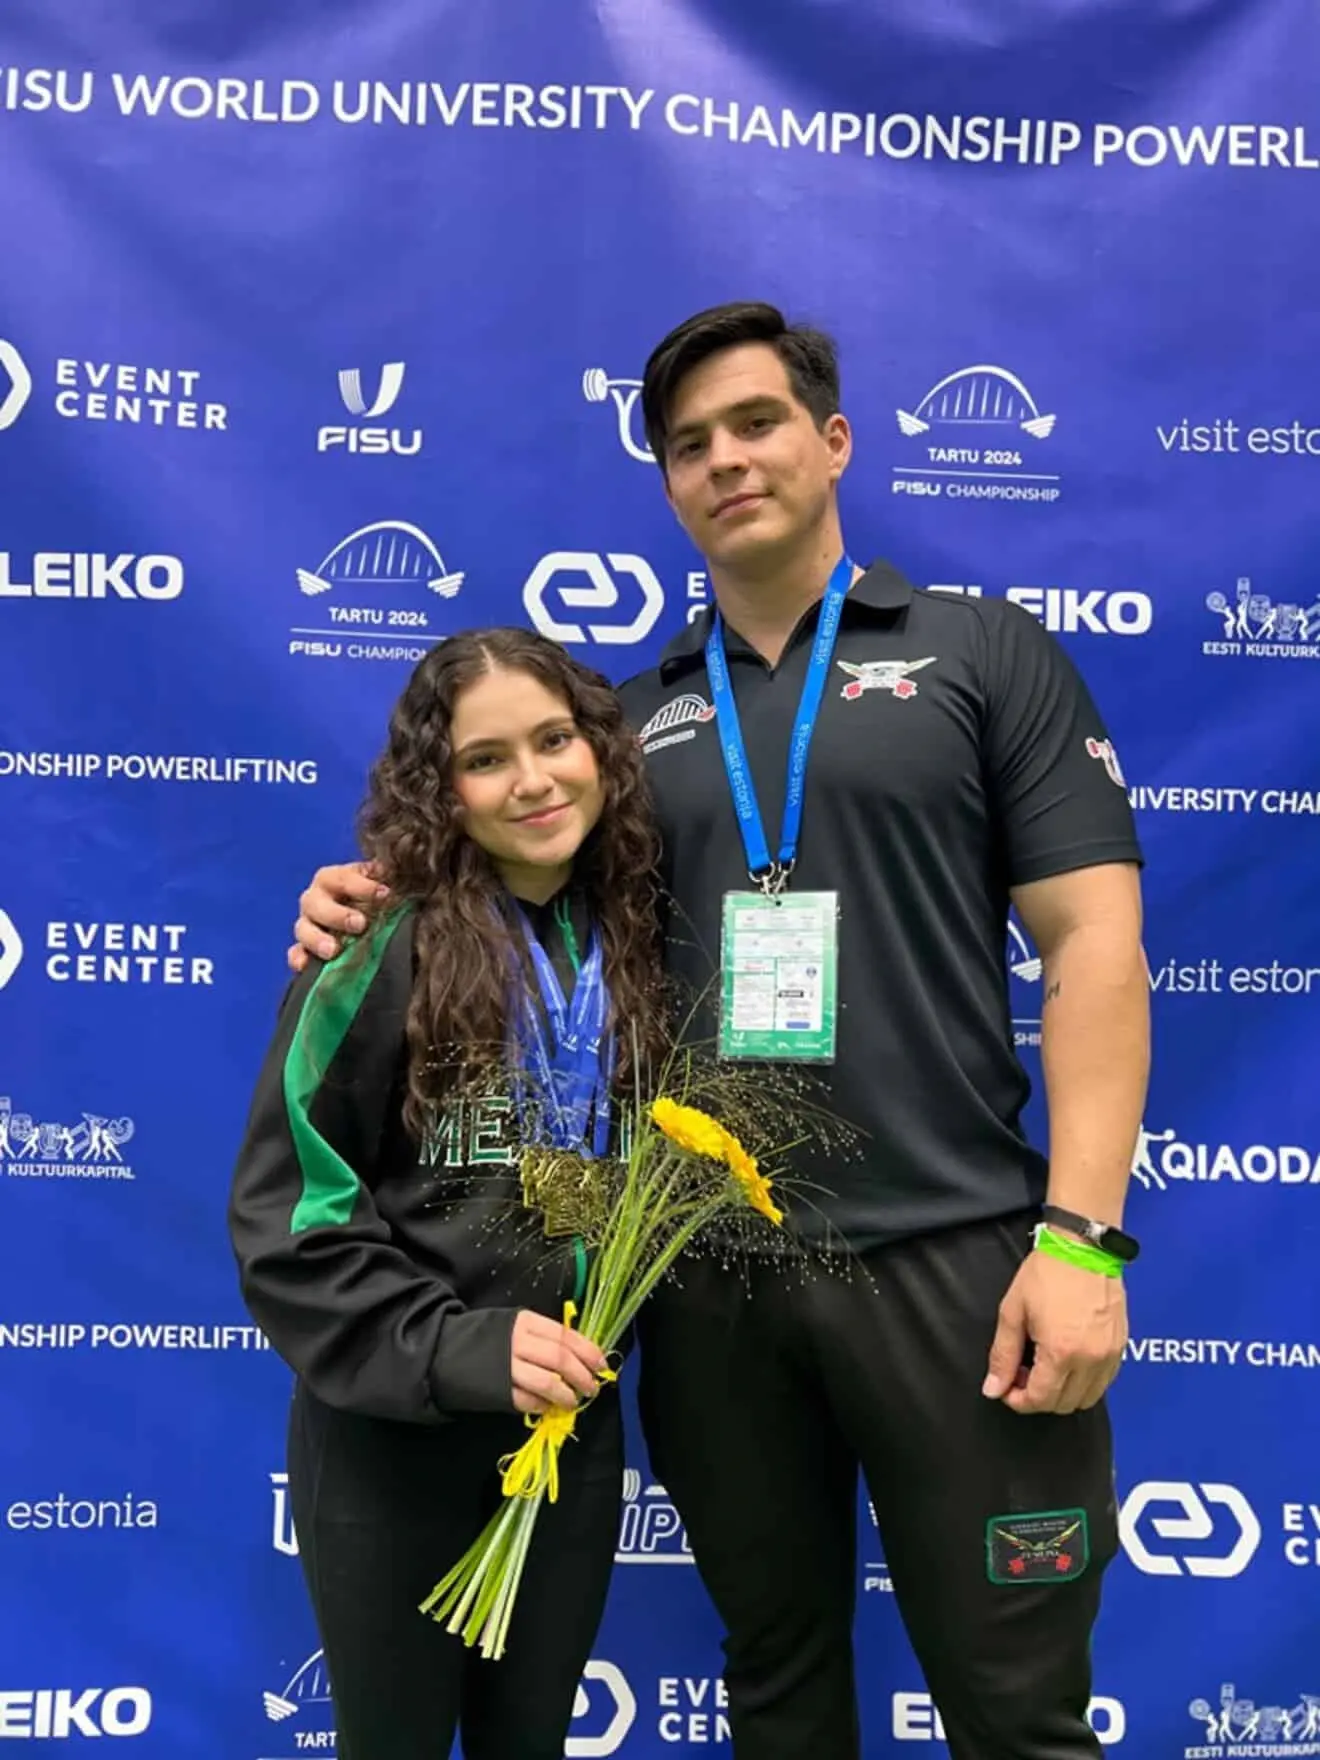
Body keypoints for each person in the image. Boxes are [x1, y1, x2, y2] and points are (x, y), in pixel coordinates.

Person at [289, 302, 1150, 1759]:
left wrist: (1079, 1239)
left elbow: (1097, 952)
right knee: (778, 1684)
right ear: (670, 485)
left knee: (1018, 1710)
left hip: (958, 1263)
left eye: (755, 424)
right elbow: (506, 883)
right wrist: (365, 896)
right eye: (688, 446)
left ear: (833, 441)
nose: (725, 461)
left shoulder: (982, 656)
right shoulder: (623, 725)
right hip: (707, 1284)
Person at [231, 627, 667, 1760]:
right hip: (393, 1443)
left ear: (600, 749)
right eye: (486, 758)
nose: (531, 779)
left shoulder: (637, 939)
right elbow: (292, 1223)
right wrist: (457, 1348)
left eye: (555, 738)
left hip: (569, 1440)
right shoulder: (373, 943)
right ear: (443, 788)